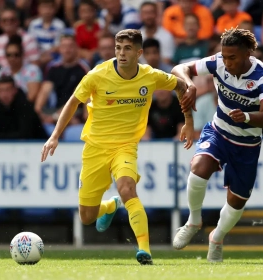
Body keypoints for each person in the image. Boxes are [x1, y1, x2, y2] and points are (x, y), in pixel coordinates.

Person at [40, 29, 196, 265]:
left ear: (139, 53)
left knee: (127, 189)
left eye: (127, 49)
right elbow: (73, 102)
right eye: (118, 48)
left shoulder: (150, 76)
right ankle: (110, 206)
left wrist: (189, 122)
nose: (121, 53)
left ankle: (144, 249)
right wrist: (55, 136)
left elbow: (181, 86)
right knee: (87, 216)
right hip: (95, 148)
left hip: (125, 147)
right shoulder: (98, 75)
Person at [170, 28, 263, 262]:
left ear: (248, 53)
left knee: (236, 203)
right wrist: (190, 84)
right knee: (198, 169)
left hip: (246, 145)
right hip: (218, 131)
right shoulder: (218, 62)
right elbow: (179, 69)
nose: (226, 63)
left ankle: (216, 238)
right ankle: (193, 220)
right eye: (224, 57)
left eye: (232, 58)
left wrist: (247, 117)